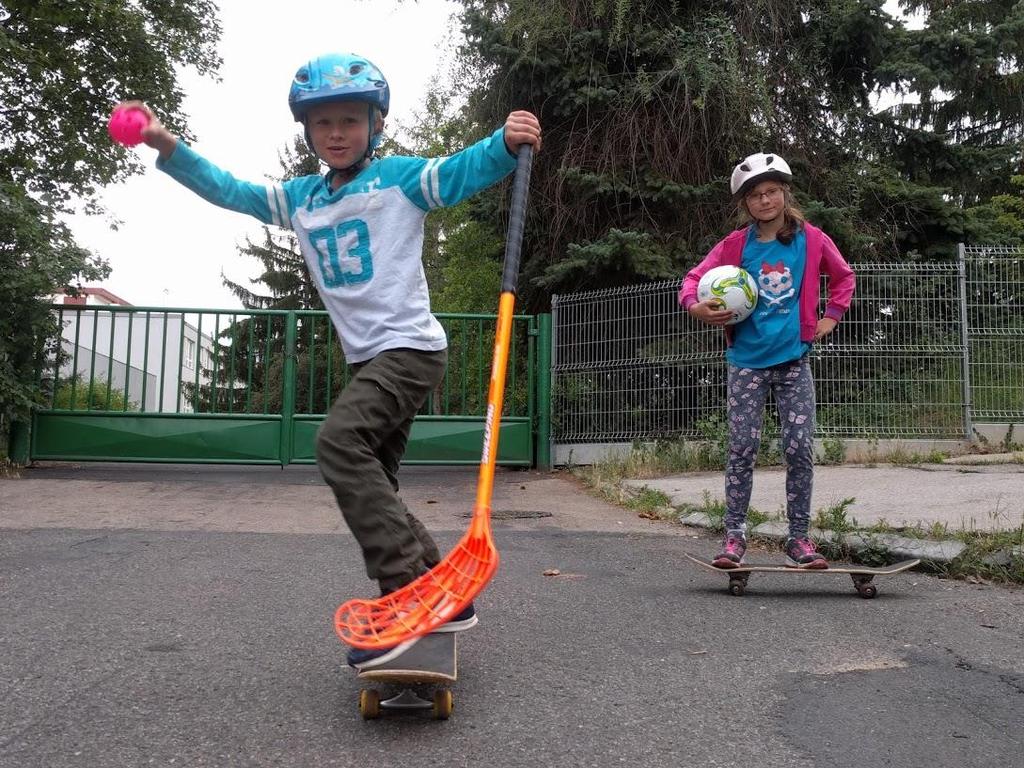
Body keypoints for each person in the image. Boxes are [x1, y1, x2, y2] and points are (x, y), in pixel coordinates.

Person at [126, 52, 542, 669]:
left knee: (336, 445)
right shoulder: (300, 199)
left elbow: (457, 173)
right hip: (367, 361)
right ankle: (441, 593)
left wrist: (503, 145)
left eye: (350, 120)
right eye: (324, 125)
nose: (337, 134)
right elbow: (232, 191)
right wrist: (169, 145)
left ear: (375, 124)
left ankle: (404, 591)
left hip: (408, 350)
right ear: (308, 133)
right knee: (376, 476)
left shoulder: (398, 179)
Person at [679, 152, 855, 570]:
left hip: (793, 361)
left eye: (771, 192)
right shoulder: (735, 246)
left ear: (784, 193)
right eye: (755, 195)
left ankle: (798, 539)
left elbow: (844, 275)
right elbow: (691, 279)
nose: (764, 201)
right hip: (746, 362)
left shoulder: (811, 239)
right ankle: (734, 537)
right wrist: (695, 306)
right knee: (742, 448)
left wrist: (831, 316)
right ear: (745, 203)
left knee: (799, 449)